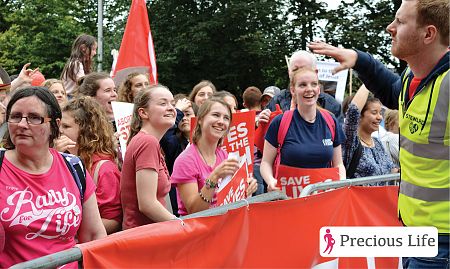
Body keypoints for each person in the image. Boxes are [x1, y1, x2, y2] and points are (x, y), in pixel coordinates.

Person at [309, 0, 449, 267]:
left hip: (441, 241)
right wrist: (361, 60)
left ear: (428, 34)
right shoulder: (413, 78)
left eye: (400, 21)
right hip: (414, 230)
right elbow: (393, 91)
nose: (390, 28)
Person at [0, 87, 106, 267]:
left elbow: (94, 235)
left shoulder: (74, 166)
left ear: (54, 125)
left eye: (34, 117)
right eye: (16, 116)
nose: (22, 124)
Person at [260, 67, 346, 191]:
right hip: (289, 202)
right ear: (293, 90)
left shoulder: (330, 121)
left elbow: (338, 164)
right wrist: (270, 180)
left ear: (318, 89)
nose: (309, 89)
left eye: (314, 84)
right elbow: (265, 163)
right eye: (302, 85)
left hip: (324, 200)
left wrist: (341, 180)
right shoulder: (280, 122)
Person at [171, 99, 257, 216]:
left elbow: (231, 200)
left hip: (224, 227)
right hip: (198, 230)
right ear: (200, 119)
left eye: (226, 118)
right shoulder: (185, 160)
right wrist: (214, 177)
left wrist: (246, 186)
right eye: (216, 115)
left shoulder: (224, 156)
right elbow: (194, 211)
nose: (221, 121)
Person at [56, 96, 122, 234]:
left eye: (66, 126)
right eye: (59, 126)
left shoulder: (104, 169)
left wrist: (71, 231)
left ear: (87, 131)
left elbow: (113, 221)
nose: (60, 131)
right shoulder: (63, 160)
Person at [121, 85, 177, 229]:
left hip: (147, 235)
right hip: (144, 239)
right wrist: (180, 225)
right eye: (163, 103)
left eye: (173, 103)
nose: (171, 108)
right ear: (143, 113)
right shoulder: (147, 142)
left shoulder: (148, 141)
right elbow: (147, 204)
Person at [265, 50, 343, 123]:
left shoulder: (331, 105)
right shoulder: (276, 101)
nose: (299, 74)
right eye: (295, 70)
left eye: (304, 69)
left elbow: (340, 136)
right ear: (289, 73)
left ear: (315, 72)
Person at [341, 85, 397, 180]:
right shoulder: (351, 142)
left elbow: (390, 170)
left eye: (380, 113)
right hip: (358, 195)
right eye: (374, 113)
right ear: (359, 116)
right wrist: (369, 76)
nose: (380, 117)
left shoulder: (377, 143)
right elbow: (353, 111)